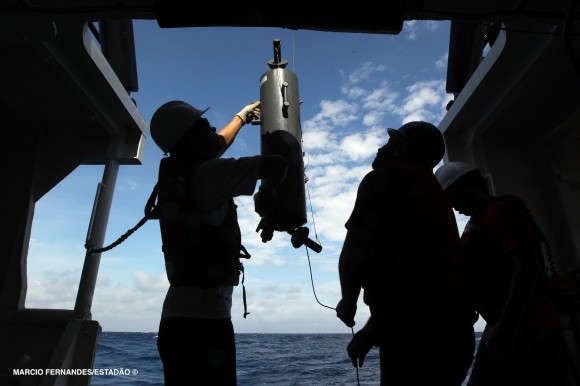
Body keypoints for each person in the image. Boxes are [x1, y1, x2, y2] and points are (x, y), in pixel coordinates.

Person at [149, 100, 287, 386]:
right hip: (203, 326)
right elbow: (277, 165)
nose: (211, 128)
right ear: (191, 138)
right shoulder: (209, 174)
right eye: (203, 125)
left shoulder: (183, 175)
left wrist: (241, 116)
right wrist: (267, 198)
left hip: (179, 321)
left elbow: (215, 144)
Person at [336, 121, 477, 385]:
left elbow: (357, 249)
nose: (381, 148)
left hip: (417, 334)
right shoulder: (432, 192)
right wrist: (371, 332)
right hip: (454, 332)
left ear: (402, 150)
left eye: (391, 143)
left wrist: (348, 300)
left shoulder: (385, 179)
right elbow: (416, 278)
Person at [434, 161, 575, 386]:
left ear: (468, 188)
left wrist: (507, 325)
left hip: (526, 327)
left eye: (452, 197)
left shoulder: (500, 212)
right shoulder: (482, 220)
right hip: (504, 325)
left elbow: (527, 267)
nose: (453, 206)